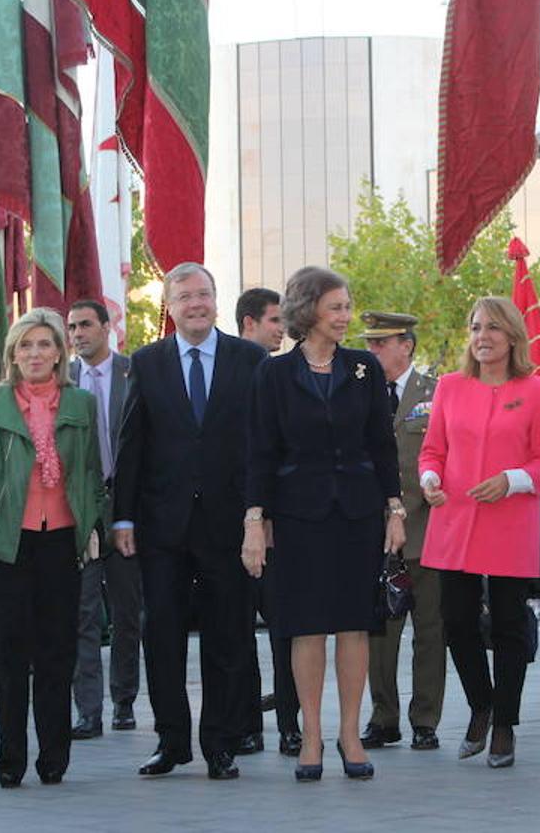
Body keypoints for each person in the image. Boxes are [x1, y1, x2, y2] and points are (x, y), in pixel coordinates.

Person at [244, 267, 405, 782]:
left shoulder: (364, 368)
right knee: (307, 628)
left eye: (347, 306)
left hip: (357, 513)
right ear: (308, 309)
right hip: (297, 517)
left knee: (355, 626)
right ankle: (311, 735)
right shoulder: (273, 374)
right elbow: (260, 453)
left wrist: (395, 510)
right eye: (335, 306)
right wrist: (255, 519)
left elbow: (382, 444)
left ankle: (350, 735)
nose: (345, 316)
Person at [112, 262, 268, 780]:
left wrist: (260, 515)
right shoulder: (147, 362)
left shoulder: (250, 359)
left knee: (229, 637)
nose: (196, 304)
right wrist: (123, 518)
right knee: (164, 637)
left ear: (216, 301)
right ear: (170, 307)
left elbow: (262, 445)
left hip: (230, 524)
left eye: (204, 294)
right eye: (185, 297)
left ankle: (219, 743)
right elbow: (131, 446)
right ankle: (171, 741)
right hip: (163, 526)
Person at [0, 308, 104, 788]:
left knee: (58, 653)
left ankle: (54, 756)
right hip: (5, 545)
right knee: (10, 655)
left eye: (43, 344)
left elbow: (91, 473)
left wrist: (92, 524)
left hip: (62, 541)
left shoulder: (79, 404)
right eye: (25, 346)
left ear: (59, 352)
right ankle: (10, 758)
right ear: (12, 355)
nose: (34, 353)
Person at [418, 296, 540, 768]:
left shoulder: (537, 390)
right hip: (454, 520)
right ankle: (481, 704)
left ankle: (504, 723)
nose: (483, 337)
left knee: (508, 626)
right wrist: (430, 481)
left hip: (509, 521)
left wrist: (511, 480)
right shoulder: (450, 387)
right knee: (456, 621)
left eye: (493, 328)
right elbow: (431, 451)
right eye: (476, 327)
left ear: (513, 336)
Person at [360, 310, 446, 752]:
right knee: (380, 636)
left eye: (381, 343)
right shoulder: (358, 393)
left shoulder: (436, 393)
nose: (372, 351)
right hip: (376, 536)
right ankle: (384, 717)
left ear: (406, 345)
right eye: (369, 343)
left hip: (428, 532)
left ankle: (426, 719)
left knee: (430, 632)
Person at [65, 300, 143, 740]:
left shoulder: (137, 373)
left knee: (129, 611)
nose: (78, 334)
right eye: (72, 327)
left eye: (86, 325)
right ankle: (88, 711)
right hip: (81, 513)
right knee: (83, 613)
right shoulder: (64, 381)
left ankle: (124, 700)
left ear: (107, 327)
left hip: (127, 508)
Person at [235, 286, 301, 756]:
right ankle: (246, 723)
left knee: (286, 629)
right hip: (234, 520)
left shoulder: (286, 374)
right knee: (236, 627)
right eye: (274, 320)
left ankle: (290, 723)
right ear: (249, 324)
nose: (281, 329)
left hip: (280, 524)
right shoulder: (233, 371)